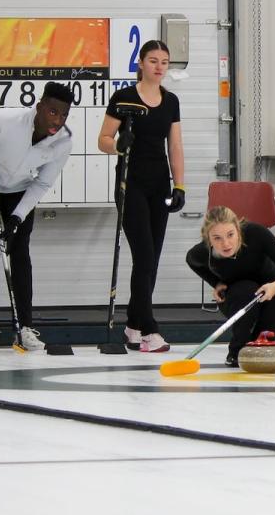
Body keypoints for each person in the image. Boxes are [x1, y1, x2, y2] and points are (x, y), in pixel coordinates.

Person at [0, 82, 75, 351]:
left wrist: (18, 217)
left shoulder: (64, 141)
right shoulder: (4, 121)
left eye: (64, 115)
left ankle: (24, 328)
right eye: (53, 112)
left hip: (20, 194)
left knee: (20, 255)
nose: (58, 120)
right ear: (40, 107)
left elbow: (43, 184)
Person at [98, 40, 186, 353]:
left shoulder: (171, 101)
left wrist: (180, 185)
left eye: (164, 61)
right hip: (130, 184)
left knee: (152, 261)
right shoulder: (123, 98)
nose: (159, 67)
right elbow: (103, 140)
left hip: (159, 184)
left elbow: (175, 146)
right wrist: (120, 144)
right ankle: (149, 329)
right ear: (141, 62)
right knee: (144, 257)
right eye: (153, 60)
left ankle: (133, 325)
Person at [186, 206, 275, 367]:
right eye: (217, 238)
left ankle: (260, 345)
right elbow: (191, 261)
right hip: (237, 296)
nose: (226, 243)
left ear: (238, 229)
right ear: (208, 239)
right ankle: (237, 350)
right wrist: (216, 283)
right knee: (246, 292)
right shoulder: (202, 252)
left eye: (230, 235)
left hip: (269, 287)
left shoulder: (256, 233)